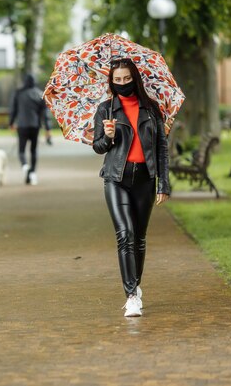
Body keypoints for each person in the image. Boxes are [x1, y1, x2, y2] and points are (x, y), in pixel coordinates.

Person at [92, 58, 170, 318]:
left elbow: (161, 148)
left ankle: (135, 284)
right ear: (111, 82)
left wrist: (164, 184)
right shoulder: (106, 110)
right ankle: (131, 295)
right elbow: (98, 147)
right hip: (116, 179)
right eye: (117, 80)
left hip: (145, 181)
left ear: (134, 79)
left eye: (127, 79)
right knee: (125, 234)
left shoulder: (151, 109)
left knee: (138, 239)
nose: (122, 84)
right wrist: (109, 137)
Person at [9, 73, 51, 185]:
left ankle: (25, 167)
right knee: (33, 150)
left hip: (22, 125)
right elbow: (45, 114)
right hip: (35, 126)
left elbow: (13, 110)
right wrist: (48, 129)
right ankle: (32, 172)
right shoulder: (39, 94)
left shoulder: (18, 93)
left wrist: (11, 123)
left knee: (21, 150)